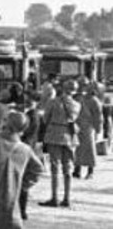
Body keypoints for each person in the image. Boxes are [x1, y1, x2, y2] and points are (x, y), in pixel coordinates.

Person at [41, 79, 79, 207]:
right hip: (69, 136)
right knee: (67, 168)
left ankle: (54, 197)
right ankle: (67, 198)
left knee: (54, 167)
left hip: (55, 134)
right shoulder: (76, 104)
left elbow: (46, 118)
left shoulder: (53, 102)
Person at [73, 82, 103, 180]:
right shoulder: (81, 99)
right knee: (78, 149)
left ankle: (90, 171)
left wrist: (98, 129)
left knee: (90, 149)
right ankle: (77, 169)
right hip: (79, 126)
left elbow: (98, 117)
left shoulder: (95, 101)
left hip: (89, 127)